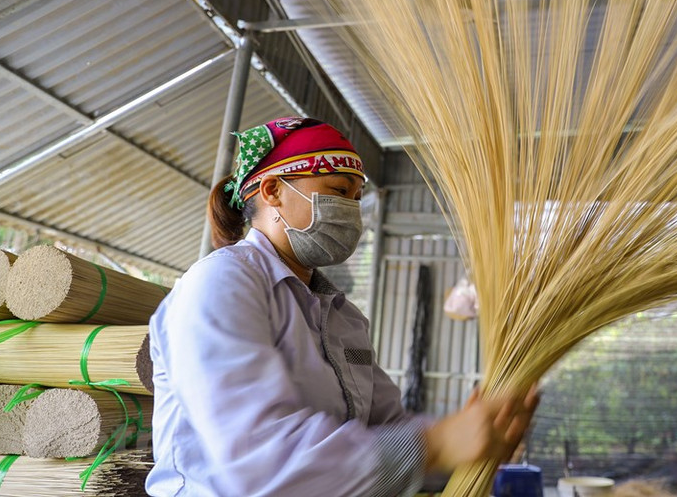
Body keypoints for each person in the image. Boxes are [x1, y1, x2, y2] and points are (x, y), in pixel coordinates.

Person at [146, 116, 538, 496]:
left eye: (356, 197)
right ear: (272, 191)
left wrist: (472, 436)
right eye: (337, 191)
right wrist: (437, 445)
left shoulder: (343, 317)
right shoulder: (220, 284)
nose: (352, 211)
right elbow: (260, 466)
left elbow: (387, 428)